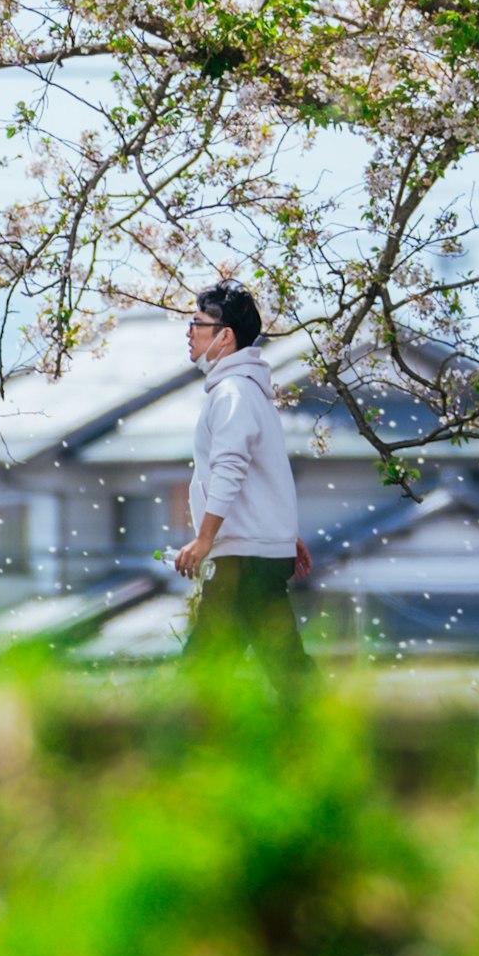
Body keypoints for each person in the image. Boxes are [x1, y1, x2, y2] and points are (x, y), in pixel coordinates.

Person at [173, 280, 309, 671]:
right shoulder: (247, 391)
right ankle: (323, 729)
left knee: (202, 676)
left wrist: (203, 539)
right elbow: (262, 473)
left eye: (197, 323)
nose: (189, 332)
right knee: (286, 670)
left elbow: (230, 469)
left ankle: (180, 731)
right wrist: (281, 533)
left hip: (243, 560)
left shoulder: (232, 392)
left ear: (224, 336)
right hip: (253, 552)